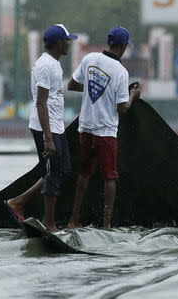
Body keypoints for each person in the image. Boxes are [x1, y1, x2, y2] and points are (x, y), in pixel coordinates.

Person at [4, 24, 77, 231]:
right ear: (58, 43)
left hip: (55, 125)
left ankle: (18, 201)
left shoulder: (53, 63)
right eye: (67, 40)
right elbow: (40, 102)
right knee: (53, 173)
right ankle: (49, 224)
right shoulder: (46, 66)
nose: (69, 44)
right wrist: (47, 138)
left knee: (62, 170)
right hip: (46, 128)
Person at [67, 26, 141, 229]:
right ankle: (106, 224)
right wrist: (133, 95)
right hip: (106, 132)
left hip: (85, 128)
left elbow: (72, 85)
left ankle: (73, 220)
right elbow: (122, 108)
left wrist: (93, 85)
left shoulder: (89, 59)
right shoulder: (120, 71)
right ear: (123, 46)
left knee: (83, 174)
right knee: (110, 176)